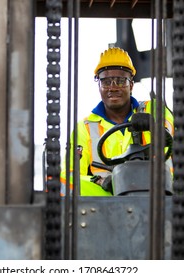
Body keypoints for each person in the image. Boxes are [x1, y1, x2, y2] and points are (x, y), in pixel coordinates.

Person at [60, 47, 175, 196]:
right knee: (61, 184)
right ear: (99, 86)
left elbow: (168, 130)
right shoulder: (85, 127)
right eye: (106, 81)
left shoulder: (152, 109)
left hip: (159, 190)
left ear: (131, 85)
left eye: (120, 81)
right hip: (107, 197)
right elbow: (71, 173)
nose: (113, 87)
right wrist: (100, 181)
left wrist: (153, 124)